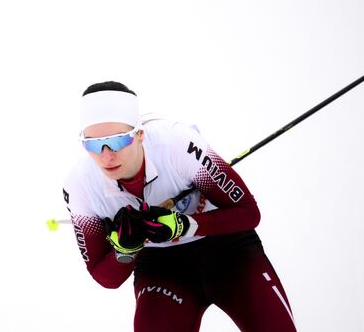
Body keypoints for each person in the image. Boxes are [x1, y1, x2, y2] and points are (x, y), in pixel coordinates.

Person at [62, 81, 297, 332]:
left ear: (140, 134)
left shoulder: (177, 144)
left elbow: (249, 213)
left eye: (118, 142)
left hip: (227, 250)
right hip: (162, 267)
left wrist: (186, 225)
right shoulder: (80, 186)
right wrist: (125, 250)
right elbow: (106, 278)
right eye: (94, 145)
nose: (107, 156)